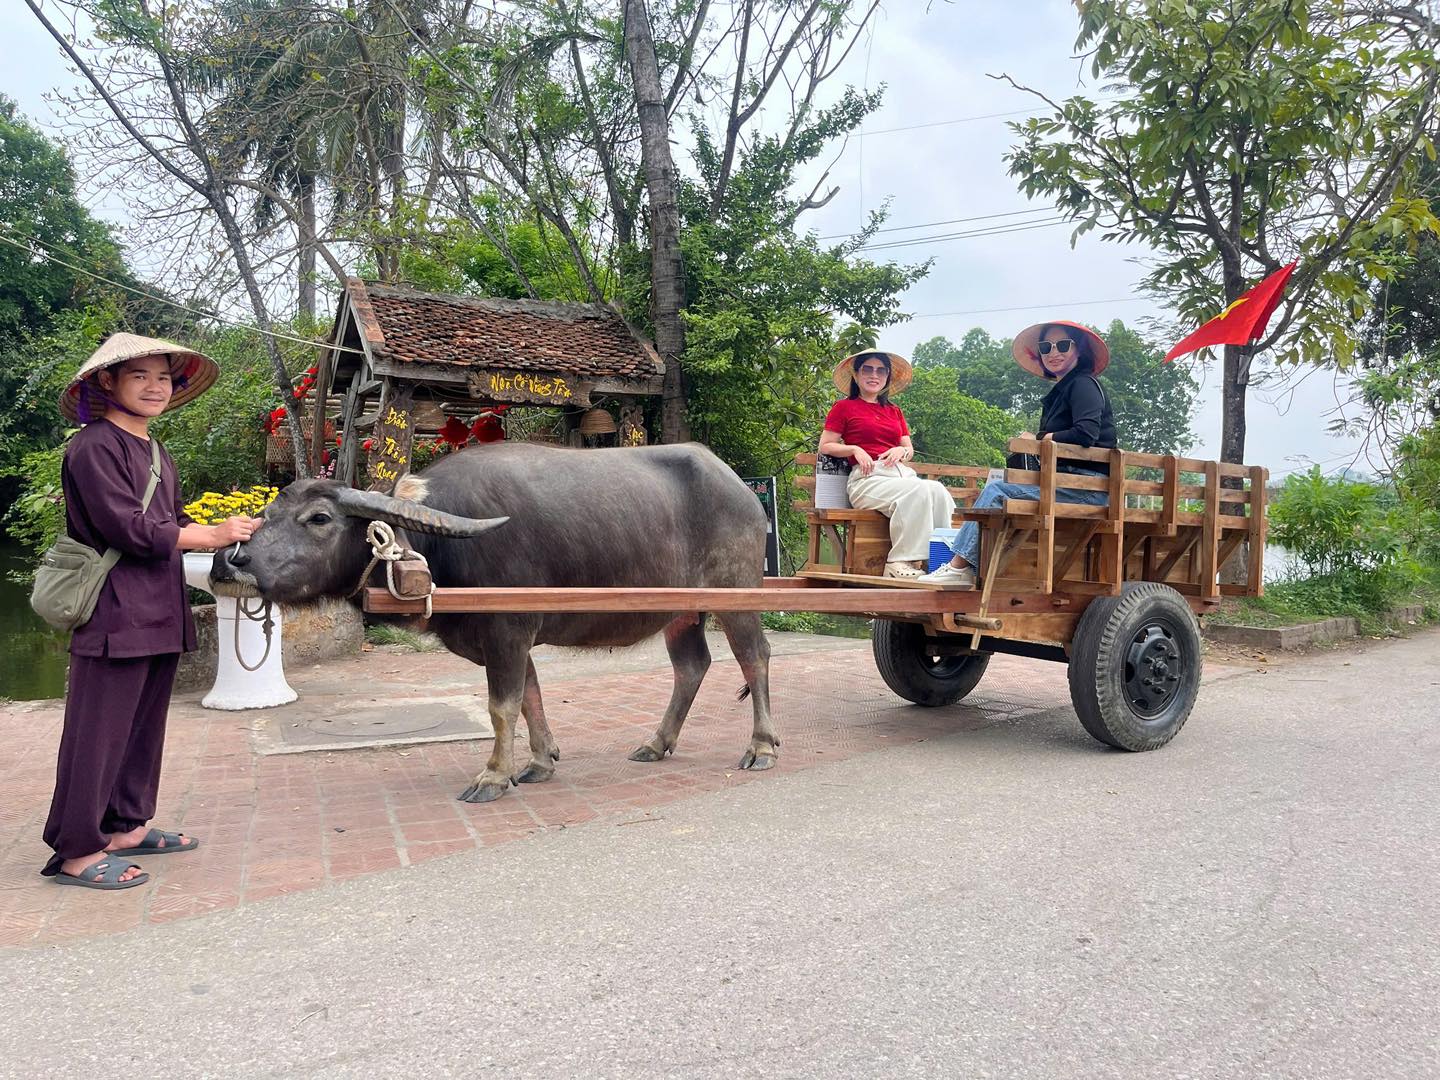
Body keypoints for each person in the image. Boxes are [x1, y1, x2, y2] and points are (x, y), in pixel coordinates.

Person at [42, 334, 263, 890]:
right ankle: (77, 851)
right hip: (114, 611)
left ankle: (126, 827)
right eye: (138, 375)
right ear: (107, 382)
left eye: (163, 377)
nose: (154, 387)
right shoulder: (94, 446)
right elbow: (127, 527)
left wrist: (229, 530)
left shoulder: (157, 451)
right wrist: (209, 534)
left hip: (159, 606)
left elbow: (172, 520)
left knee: (142, 728)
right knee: (97, 733)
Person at [918, 320, 1117, 589]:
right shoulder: (1062, 390)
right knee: (999, 486)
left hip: (1087, 488)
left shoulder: (1083, 384)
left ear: (1079, 350)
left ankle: (959, 567)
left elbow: (1086, 433)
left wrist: (1039, 439)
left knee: (997, 491)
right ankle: (977, 568)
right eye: (1046, 347)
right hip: (1063, 483)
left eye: (1062, 345)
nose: (1053, 352)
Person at [819, 350, 954, 579]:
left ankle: (941, 561)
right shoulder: (844, 407)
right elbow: (825, 445)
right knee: (919, 490)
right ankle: (898, 562)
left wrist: (901, 450)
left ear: (887, 377)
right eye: (868, 369)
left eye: (881, 371)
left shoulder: (894, 411)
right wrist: (854, 449)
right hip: (867, 479)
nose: (874, 375)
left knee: (937, 490)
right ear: (856, 375)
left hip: (899, 475)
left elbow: (908, 449)